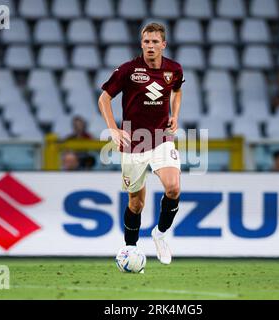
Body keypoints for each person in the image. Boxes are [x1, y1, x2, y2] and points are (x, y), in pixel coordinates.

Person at [98, 23, 184, 265]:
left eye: (155, 42)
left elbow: (177, 91)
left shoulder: (174, 69)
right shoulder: (128, 70)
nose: (150, 46)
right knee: (136, 204)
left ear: (163, 45)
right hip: (133, 142)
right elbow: (104, 98)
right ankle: (130, 250)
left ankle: (160, 234)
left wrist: (175, 114)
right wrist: (113, 129)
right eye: (146, 42)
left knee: (173, 187)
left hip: (160, 137)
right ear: (141, 44)